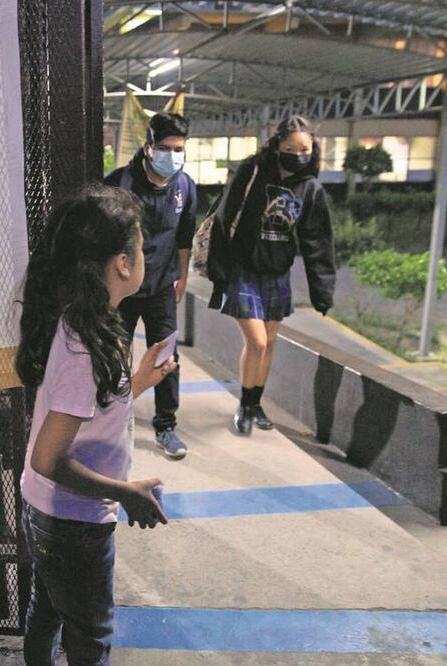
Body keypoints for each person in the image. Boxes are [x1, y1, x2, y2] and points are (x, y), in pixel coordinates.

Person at [16, 183, 173, 666]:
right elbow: (48, 459)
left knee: (47, 612)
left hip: (50, 514)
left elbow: (88, 412)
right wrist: (124, 492)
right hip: (73, 523)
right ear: (123, 264)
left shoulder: (87, 323)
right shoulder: (85, 344)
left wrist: (140, 381)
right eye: (141, 247)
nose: (144, 255)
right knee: (91, 637)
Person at [206, 115, 335, 435]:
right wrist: (219, 272)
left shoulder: (310, 189)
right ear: (278, 145)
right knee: (258, 341)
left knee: (271, 342)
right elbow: (225, 218)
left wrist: (322, 291)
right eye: (291, 148)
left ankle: (255, 403)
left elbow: (317, 241)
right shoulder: (253, 173)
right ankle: (244, 404)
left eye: (305, 148)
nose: (298, 154)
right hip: (245, 271)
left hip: (278, 273)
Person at [104, 112, 197, 459]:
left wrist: (182, 276)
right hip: (125, 289)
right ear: (147, 147)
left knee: (166, 356)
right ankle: (112, 419)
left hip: (161, 286)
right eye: (164, 147)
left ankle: (166, 426)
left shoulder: (185, 186)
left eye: (178, 148)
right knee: (115, 355)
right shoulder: (119, 185)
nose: (171, 154)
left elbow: (185, 235)